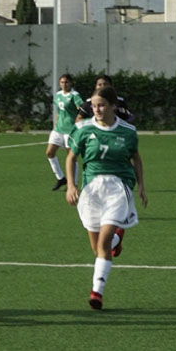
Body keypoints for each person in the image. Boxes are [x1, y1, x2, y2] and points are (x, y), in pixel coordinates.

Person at [65, 86, 147, 311]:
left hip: (118, 187)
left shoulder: (128, 131)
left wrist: (141, 187)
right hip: (91, 190)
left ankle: (96, 293)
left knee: (102, 243)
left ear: (112, 106)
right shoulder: (82, 129)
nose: (97, 109)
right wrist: (71, 185)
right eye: (94, 105)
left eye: (101, 105)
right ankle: (116, 241)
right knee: (98, 249)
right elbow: (71, 158)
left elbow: (136, 159)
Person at [46, 74, 84, 191]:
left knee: (71, 156)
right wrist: (55, 124)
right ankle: (61, 178)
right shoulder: (57, 95)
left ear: (71, 83)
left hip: (70, 131)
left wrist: (79, 122)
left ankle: (74, 183)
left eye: (66, 82)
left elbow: (82, 110)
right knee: (49, 153)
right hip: (58, 130)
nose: (64, 84)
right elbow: (59, 112)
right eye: (62, 82)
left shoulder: (74, 95)